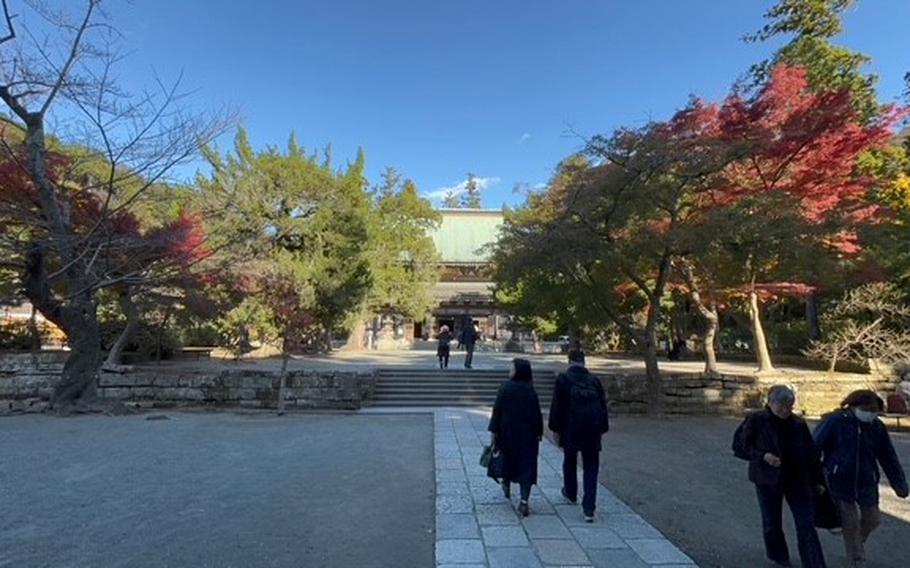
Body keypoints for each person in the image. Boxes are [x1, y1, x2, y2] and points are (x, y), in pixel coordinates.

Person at [814, 390, 908, 568]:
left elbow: (888, 457)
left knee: (873, 519)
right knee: (850, 520)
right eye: (867, 409)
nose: (871, 413)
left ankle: (856, 540)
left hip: (867, 479)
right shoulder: (836, 421)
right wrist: (814, 476)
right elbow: (815, 446)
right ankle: (856, 556)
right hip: (840, 478)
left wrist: (899, 484)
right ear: (854, 406)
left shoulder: (876, 427)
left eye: (874, 410)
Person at [737, 385, 827, 568]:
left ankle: (814, 563)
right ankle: (779, 556)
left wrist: (818, 480)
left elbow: (811, 454)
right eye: (781, 406)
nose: (785, 411)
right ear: (770, 403)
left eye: (789, 406)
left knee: (806, 523)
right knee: (772, 521)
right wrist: (763, 455)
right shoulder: (756, 420)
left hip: (797, 478)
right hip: (767, 478)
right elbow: (740, 446)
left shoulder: (798, 424)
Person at [548, 349, 609, 522]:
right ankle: (589, 507)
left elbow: (557, 406)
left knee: (569, 460)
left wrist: (555, 428)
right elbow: (603, 406)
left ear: (569, 361)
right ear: (584, 361)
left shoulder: (564, 380)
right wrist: (602, 429)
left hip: (571, 427)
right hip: (592, 429)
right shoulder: (594, 380)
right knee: (591, 466)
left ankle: (571, 492)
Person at [488, 358, 543, 517]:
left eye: (511, 368)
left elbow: (497, 410)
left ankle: (506, 484)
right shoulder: (530, 390)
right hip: (528, 435)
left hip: (507, 432)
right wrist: (539, 432)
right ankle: (524, 500)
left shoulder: (505, 387)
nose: (509, 370)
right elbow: (537, 413)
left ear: (518, 370)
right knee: (527, 465)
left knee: (508, 460)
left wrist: (493, 430)